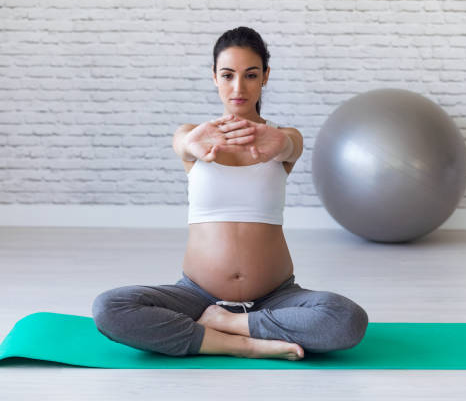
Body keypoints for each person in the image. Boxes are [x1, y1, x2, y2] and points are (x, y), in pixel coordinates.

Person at [92, 26, 368, 361]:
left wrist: (283, 144)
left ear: (265, 77)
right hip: (196, 295)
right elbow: (182, 143)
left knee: (346, 319)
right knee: (109, 307)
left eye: (251, 75)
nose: (238, 87)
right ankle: (242, 342)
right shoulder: (192, 135)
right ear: (214, 77)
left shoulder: (281, 138)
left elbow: (292, 145)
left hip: (275, 295)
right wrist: (190, 143)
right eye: (228, 75)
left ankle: (227, 324)